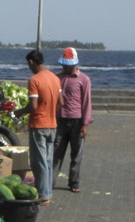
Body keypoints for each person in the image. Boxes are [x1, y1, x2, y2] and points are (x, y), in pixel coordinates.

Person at [14, 49, 62, 206]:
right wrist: (50, 111)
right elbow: (61, 102)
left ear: (31, 62)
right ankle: (48, 192)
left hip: (39, 125)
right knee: (48, 160)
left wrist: (20, 112)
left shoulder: (34, 80)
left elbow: (33, 106)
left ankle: (43, 195)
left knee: (39, 161)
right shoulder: (55, 78)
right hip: (52, 124)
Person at [53, 47, 93, 194]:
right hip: (60, 120)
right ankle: (50, 181)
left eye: (68, 64)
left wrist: (85, 124)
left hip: (77, 120)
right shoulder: (57, 77)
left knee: (76, 155)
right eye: (64, 64)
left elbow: (87, 102)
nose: (65, 67)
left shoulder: (84, 79)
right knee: (56, 152)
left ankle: (74, 182)